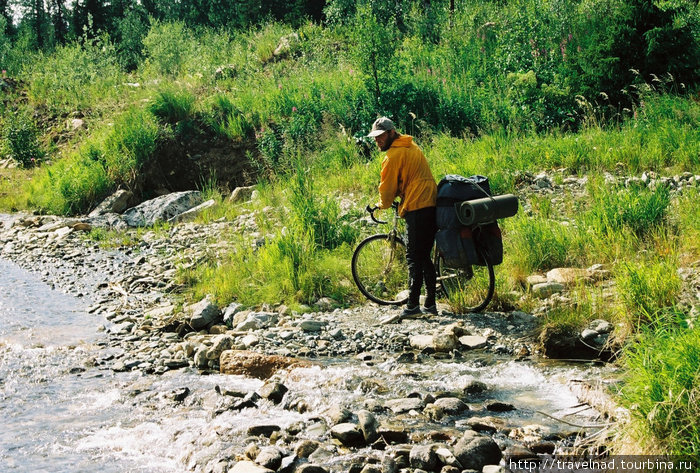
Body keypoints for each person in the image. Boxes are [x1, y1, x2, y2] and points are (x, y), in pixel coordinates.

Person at [368, 116, 438, 317]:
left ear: (391, 133)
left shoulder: (393, 155)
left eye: (381, 136)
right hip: (431, 202)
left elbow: (387, 188)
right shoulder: (412, 146)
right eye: (375, 137)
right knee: (423, 255)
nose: (377, 141)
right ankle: (430, 305)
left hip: (417, 205)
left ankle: (413, 306)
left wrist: (381, 205)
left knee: (414, 256)